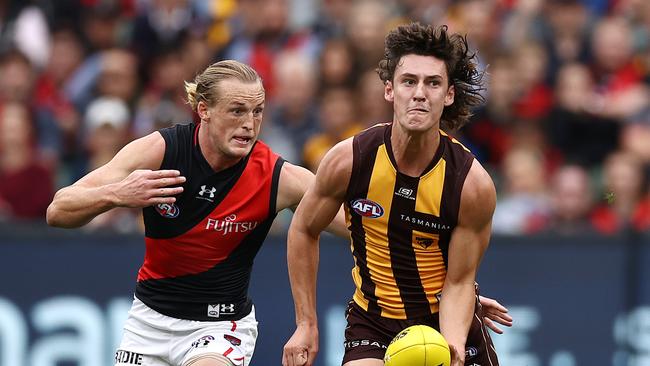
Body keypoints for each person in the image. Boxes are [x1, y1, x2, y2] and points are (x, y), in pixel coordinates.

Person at [47, 59, 509, 366]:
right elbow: (58, 209)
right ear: (202, 110)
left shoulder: (279, 177)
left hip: (220, 325)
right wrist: (117, 194)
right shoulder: (158, 151)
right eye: (237, 111)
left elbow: (373, 233)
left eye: (258, 112)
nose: (249, 124)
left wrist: (455, 285)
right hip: (147, 319)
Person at [283, 23, 506, 366]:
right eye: (408, 81)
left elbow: (460, 282)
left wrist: (452, 345)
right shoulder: (350, 159)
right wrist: (305, 324)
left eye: (433, 83)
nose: (420, 93)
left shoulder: (471, 184)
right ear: (389, 90)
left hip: (442, 320)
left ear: (448, 95)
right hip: (373, 323)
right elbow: (303, 228)